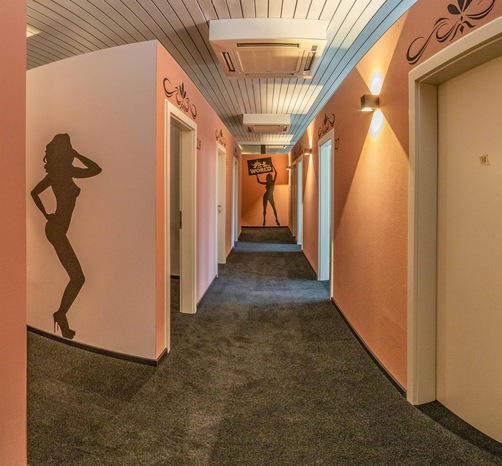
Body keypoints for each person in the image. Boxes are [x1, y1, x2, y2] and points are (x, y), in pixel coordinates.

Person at [31, 134, 102, 339]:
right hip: (56, 231)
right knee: (78, 278)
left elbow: (34, 193)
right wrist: (77, 154)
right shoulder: (66, 171)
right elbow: (95, 169)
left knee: (77, 278)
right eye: (69, 147)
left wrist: (47, 215)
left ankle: (61, 314)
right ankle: (61, 314)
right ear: (66, 150)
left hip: (56, 229)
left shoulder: (56, 173)